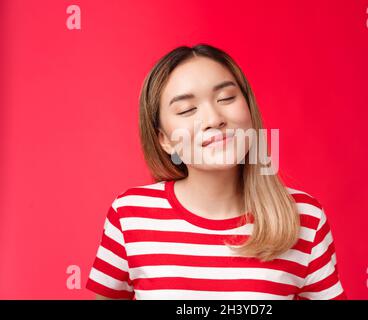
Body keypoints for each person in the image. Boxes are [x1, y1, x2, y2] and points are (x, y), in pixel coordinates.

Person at [86, 44, 347, 300]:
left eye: (226, 98)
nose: (214, 119)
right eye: (187, 110)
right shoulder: (130, 215)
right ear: (164, 139)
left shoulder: (304, 218)